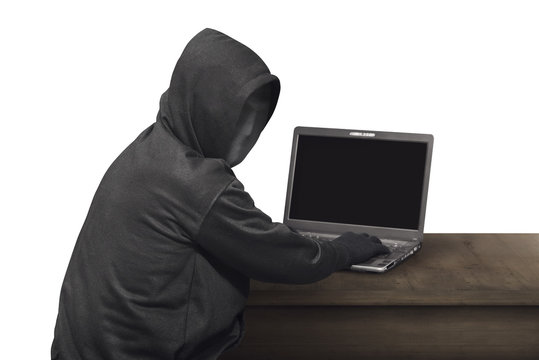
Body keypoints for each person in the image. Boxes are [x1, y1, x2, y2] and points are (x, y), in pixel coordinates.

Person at [51, 28, 390, 360]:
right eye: (235, 117)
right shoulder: (194, 183)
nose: (247, 133)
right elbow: (292, 259)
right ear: (202, 107)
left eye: (257, 120)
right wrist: (344, 249)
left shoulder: (150, 149)